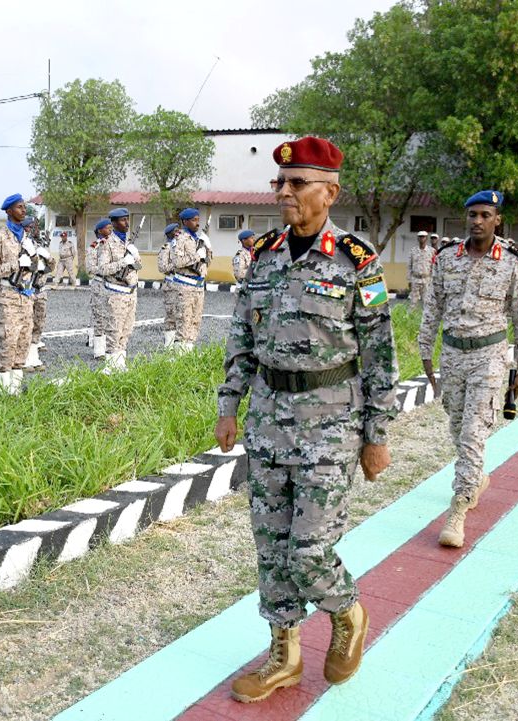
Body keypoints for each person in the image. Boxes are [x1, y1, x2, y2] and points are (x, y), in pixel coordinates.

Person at [215, 136, 398, 699]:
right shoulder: (264, 256)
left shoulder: (356, 260)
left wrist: (376, 435)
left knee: (309, 551)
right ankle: (284, 656)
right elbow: (242, 335)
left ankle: (348, 612)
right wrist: (229, 404)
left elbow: (380, 353)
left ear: (329, 193)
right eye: (280, 182)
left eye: (297, 183)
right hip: (268, 421)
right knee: (272, 548)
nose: (284, 192)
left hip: (331, 425)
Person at [418, 190, 518, 549]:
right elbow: (432, 308)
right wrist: (425, 351)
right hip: (453, 355)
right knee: (457, 424)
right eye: (472, 215)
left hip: (489, 356)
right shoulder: (446, 258)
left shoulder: (512, 262)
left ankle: (459, 507)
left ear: (498, 220)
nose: (478, 221)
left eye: (485, 215)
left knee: (472, 432)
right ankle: (476, 477)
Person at [0, 193, 34, 393]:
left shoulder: (26, 237)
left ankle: (15, 388)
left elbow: (34, 267)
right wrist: (16, 264)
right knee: (9, 341)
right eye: (19, 207)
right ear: (9, 211)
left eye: (24, 207)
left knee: (23, 341)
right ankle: (2, 391)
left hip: (27, 295)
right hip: (9, 294)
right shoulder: (0, 237)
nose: (24, 210)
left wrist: (36, 258)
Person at [94, 208, 142, 372]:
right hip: (116, 294)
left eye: (127, 219)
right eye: (123, 220)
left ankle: (120, 365)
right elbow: (102, 269)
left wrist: (135, 258)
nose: (127, 223)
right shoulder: (107, 244)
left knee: (126, 330)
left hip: (130, 293)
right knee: (114, 330)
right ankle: (110, 367)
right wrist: (123, 262)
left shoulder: (129, 243)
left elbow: (138, 267)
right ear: (113, 223)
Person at [166, 208, 212, 351]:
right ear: (185, 222)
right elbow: (177, 262)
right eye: (193, 220)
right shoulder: (179, 239)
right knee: (183, 322)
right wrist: (197, 256)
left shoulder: (198, 239)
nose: (197, 223)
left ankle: (188, 354)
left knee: (195, 322)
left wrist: (208, 248)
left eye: (198, 220)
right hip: (184, 286)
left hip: (198, 286)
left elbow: (206, 263)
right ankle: (179, 356)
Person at [23, 217, 51, 371]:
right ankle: (25, 358)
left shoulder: (40, 245)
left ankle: (34, 356)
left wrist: (47, 258)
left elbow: (50, 267)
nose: (36, 229)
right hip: (28, 290)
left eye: (37, 226)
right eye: (31, 226)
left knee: (39, 324)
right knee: (26, 324)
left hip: (41, 290)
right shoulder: (22, 244)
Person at [86, 219, 112, 359]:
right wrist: (107, 270)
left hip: (114, 285)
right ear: (100, 231)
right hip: (100, 284)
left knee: (112, 316)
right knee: (100, 317)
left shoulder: (114, 245)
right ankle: (99, 350)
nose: (110, 230)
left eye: (111, 227)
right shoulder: (94, 247)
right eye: (107, 228)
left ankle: (110, 347)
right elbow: (90, 268)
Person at [156, 222, 180, 347]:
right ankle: (169, 346)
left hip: (183, 285)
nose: (178, 232)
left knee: (182, 315)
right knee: (171, 316)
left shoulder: (181, 246)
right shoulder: (166, 248)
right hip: (171, 285)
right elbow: (162, 267)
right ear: (170, 234)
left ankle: (180, 345)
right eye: (175, 231)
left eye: (179, 230)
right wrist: (178, 264)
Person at [407, 231, 434, 308]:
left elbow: (433, 266)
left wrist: (432, 279)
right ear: (417, 238)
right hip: (415, 279)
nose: (422, 238)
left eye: (423, 237)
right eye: (420, 237)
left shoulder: (432, 251)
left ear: (426, 238)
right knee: (413, 302)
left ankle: (426, 315)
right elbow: (409, 265)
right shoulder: (413, 251)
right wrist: (409, 279)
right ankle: (412, 315)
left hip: (426, 279)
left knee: (427, 301)